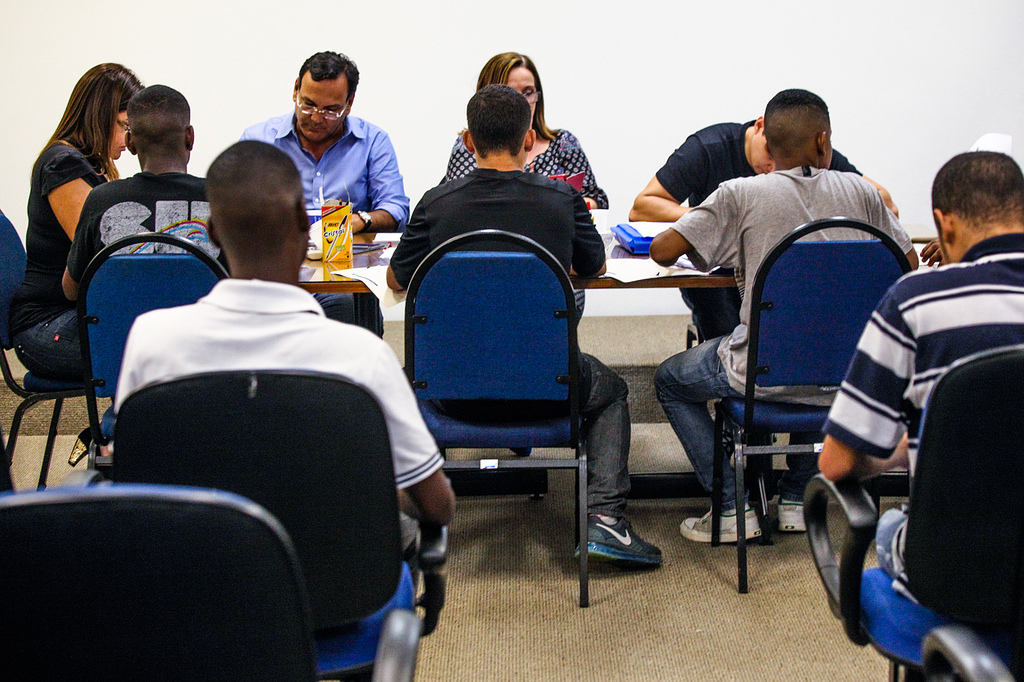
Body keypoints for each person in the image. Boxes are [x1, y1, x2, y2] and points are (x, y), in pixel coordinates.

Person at [114, 139, 455, 532]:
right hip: (331, 569)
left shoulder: (150, 340)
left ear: (213, 233)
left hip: (199, 563)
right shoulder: (364, 357)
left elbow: (135, 480)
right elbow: (437, 506)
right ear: (304, 224)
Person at [387, 84, 662, 569]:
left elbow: (396, 279)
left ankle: (404, 523)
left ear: (468, 141)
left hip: (450, 392)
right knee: (612, 390)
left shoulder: (435, 203)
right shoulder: (561, 199)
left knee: (398, 385)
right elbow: (595, 266)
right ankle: (605, 519)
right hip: (548, 390)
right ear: (529, 138)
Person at [648, 89, 916, 543]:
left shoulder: (741, 193)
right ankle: (796, 497)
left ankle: (732, 506)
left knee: (670, 381)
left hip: (760, 370)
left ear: (766, 142)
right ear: (823, 141)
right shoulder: (862, 193)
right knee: (821, 366)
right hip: (846, 372)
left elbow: (661, 250)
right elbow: (905, 263)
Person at [819, 151, 1024, 596]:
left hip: (955, 572)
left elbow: (836, 464)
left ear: (944, 224)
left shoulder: (915, 301)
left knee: (891, 525)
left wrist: (910, 448)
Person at [629, 103, 900, 343]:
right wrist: (714, 220)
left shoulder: (809, 157)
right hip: (717, 277)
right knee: (726, 333)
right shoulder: (708, 149)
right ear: (759, 127)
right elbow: (642, 207)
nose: (777, 168)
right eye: (771, 153)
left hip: (790, 273)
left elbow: (885, 202)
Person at [241, 51, 409, 335]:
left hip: (346, 275)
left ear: (349, 104)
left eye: (331, 110)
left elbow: (396, 209)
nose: (317, 118)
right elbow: (237, 212)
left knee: (340, 303)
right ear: (296, 89)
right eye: (308, 104)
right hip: (276, 274)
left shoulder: (372, 141)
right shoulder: (259, 140)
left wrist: (359, 221)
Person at [9, 63, 143, 381]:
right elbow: (97, 256)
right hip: (45, 323)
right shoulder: (62, 165)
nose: (130, 140)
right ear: (99, 115)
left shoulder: (92, 165)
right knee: (156, 351)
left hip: (74, 313)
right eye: (125, 126)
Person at [63, 85, 219, 302]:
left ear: (130, 142)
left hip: (121, 325)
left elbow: (72, 290)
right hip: (200, 324)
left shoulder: (101, 199)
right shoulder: (222, 198)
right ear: (189, 137)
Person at [442, 52, 608, 210]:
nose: (522, 102)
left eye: (528, 93)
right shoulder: (469, 145)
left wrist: (564, 203)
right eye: (511, 93)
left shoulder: (563, 142)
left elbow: (597, 199)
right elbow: (455, 201)